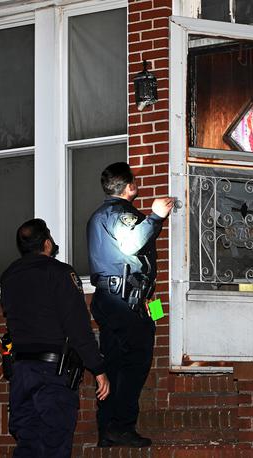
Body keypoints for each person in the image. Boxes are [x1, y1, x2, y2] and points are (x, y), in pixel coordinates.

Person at [0, 218, 110, 458]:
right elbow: (77, 327)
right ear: (47, 243)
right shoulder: (60, 273)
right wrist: (98, 368)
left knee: (28, 444)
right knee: (54, 444)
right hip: (52, 374)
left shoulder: (8, 276)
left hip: (21, 373)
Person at [87, 162, 173, 448]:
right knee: (135, 361)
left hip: (116, 299)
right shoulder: (118, 214)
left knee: (114, 363)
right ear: (129, 187)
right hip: (124, 301)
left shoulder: (101, 215)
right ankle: (121, 426)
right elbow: (132, 244)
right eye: (134, 181)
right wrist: (156, 216)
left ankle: (108, 428)